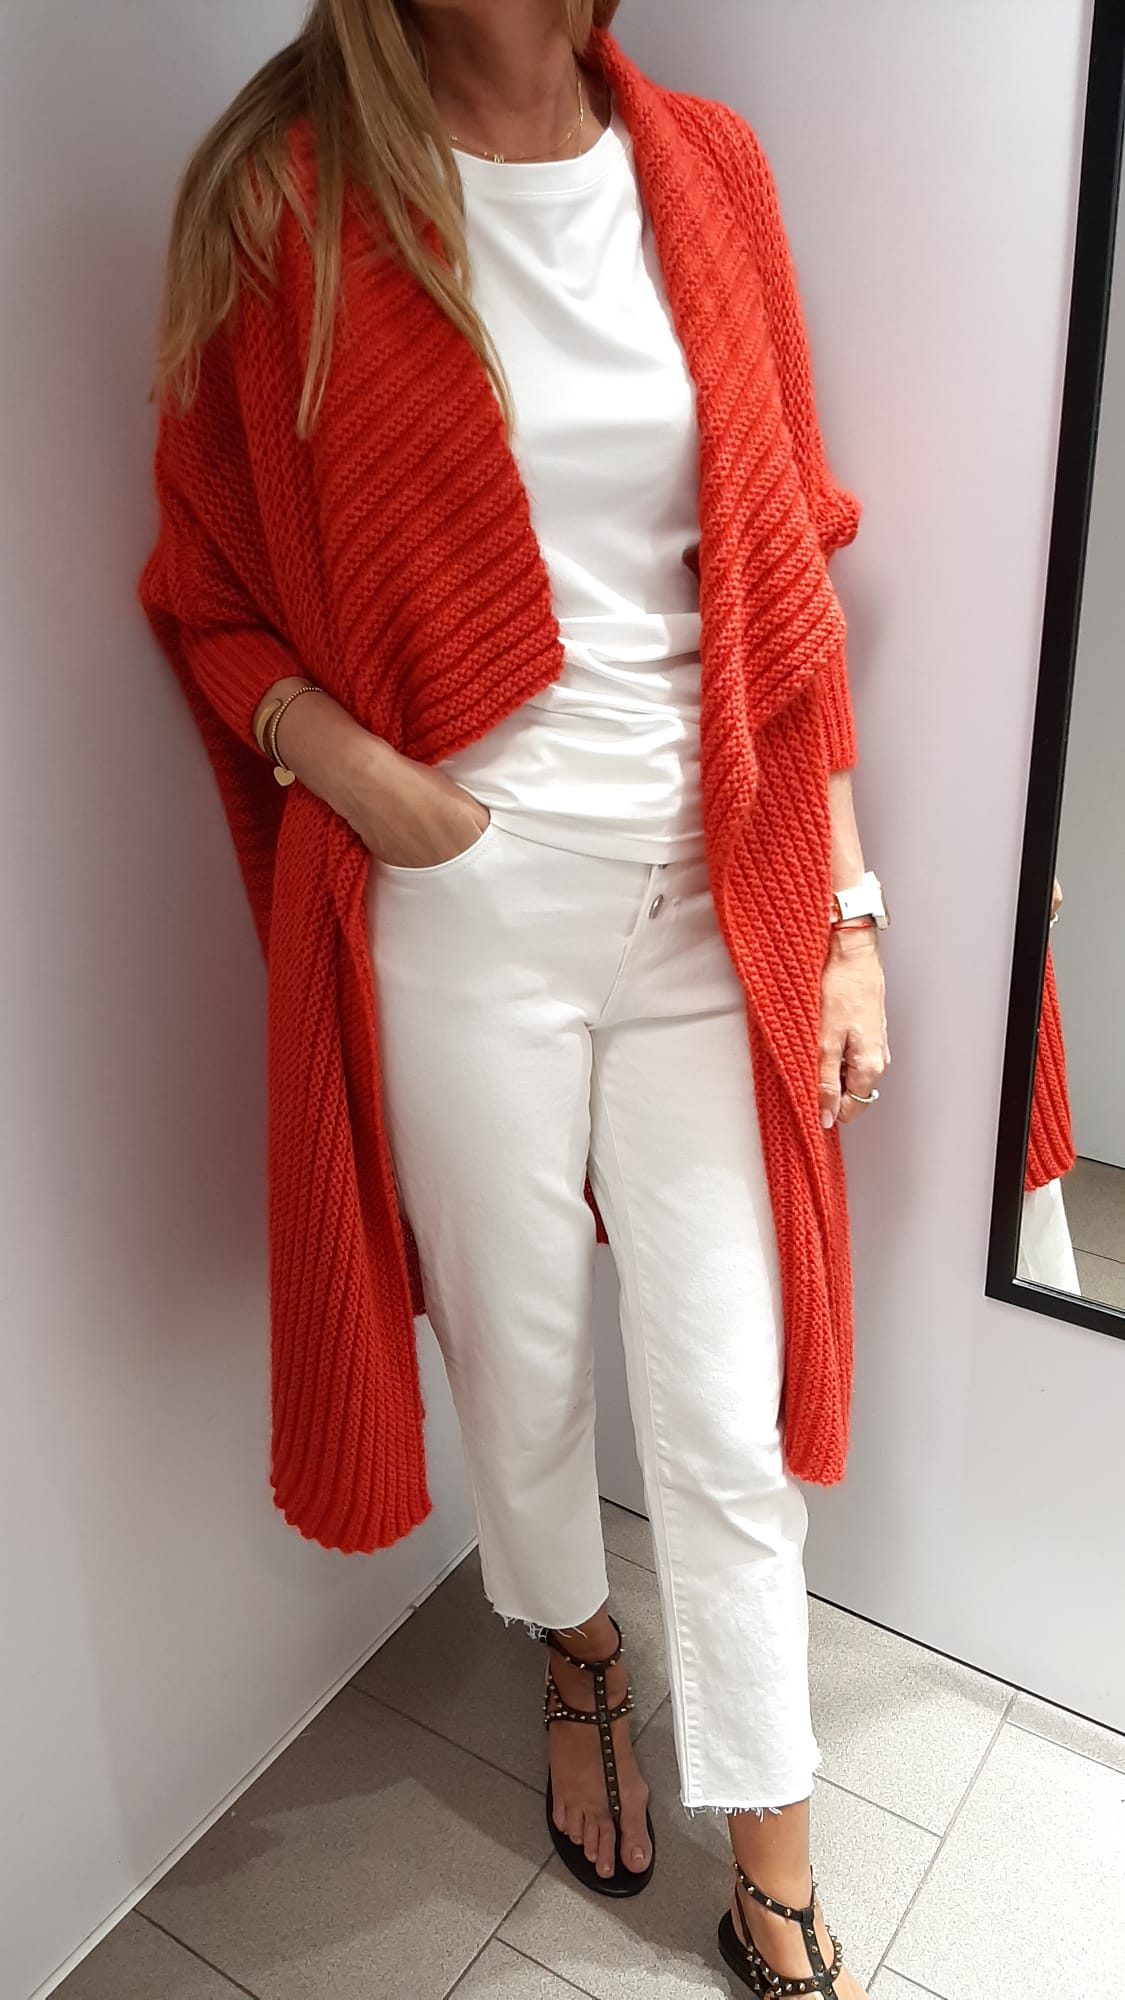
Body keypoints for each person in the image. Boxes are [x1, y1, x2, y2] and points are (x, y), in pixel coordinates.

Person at [139, 4, 890, 1993]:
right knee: (521, 1355)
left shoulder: (707, 169)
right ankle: (576, 1652)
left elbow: (791, 567)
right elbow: (206, 594)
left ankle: (775, 1855)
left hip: (711, 892)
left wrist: (848, 913)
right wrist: (359, 774)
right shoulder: (288, 203)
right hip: (465, 906)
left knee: (724, 1401)